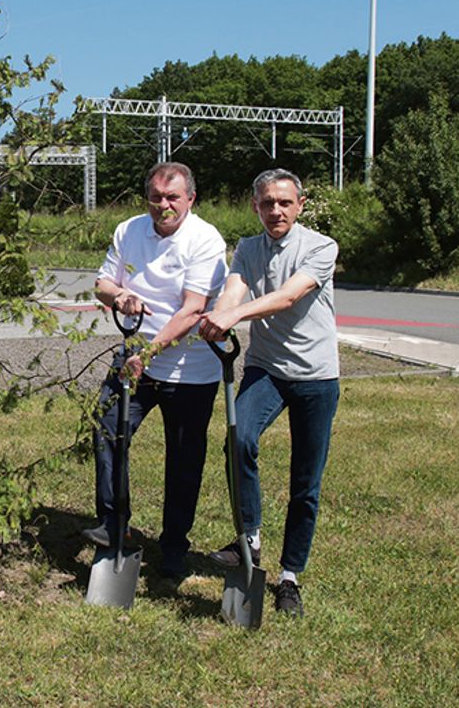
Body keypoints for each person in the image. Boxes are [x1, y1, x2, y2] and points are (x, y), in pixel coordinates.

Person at [199, 168, 340, 617]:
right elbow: (233, 290)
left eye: (283, 202)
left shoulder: (320, 247)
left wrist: (235, 314)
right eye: (266, 203)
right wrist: (218, 317)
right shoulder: (248, 247)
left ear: (299, 205)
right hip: (267, 369)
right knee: (239, 438)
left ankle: (290, 578)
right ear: (255, 206)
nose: (275, 211)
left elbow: (287, 297)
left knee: (306, 482)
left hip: (316, 376)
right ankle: (250, 539)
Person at [86, 161, 228, 581]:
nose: (163, 206)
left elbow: (193, 308)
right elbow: (101, 284)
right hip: (133, 356)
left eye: (172, 198)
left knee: (184, 458)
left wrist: (148, 353)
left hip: (190, 367)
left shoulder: (205, 240)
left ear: (191, 199)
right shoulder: (129, 230)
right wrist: (122, 295)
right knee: (108, 430)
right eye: (156, 197)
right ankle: (114, 524)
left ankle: (173, 547)